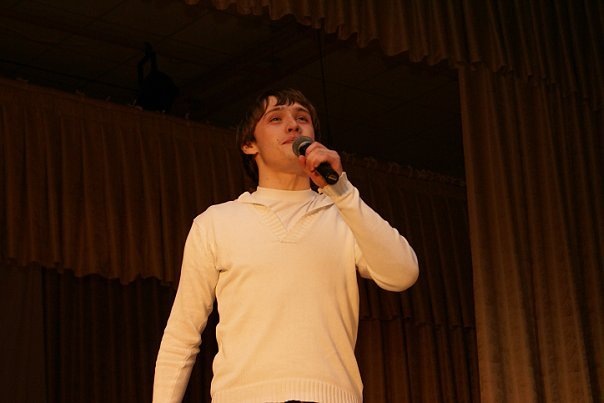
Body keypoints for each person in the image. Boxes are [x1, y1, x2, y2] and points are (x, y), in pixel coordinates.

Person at [153, 88, 419, 403]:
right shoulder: (216, 222)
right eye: (276, 119)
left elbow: (402, 274)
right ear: (249, 144)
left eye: (302, 118)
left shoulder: (345, 215)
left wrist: (342, 191)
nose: (293, 125)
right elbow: (182, 334)